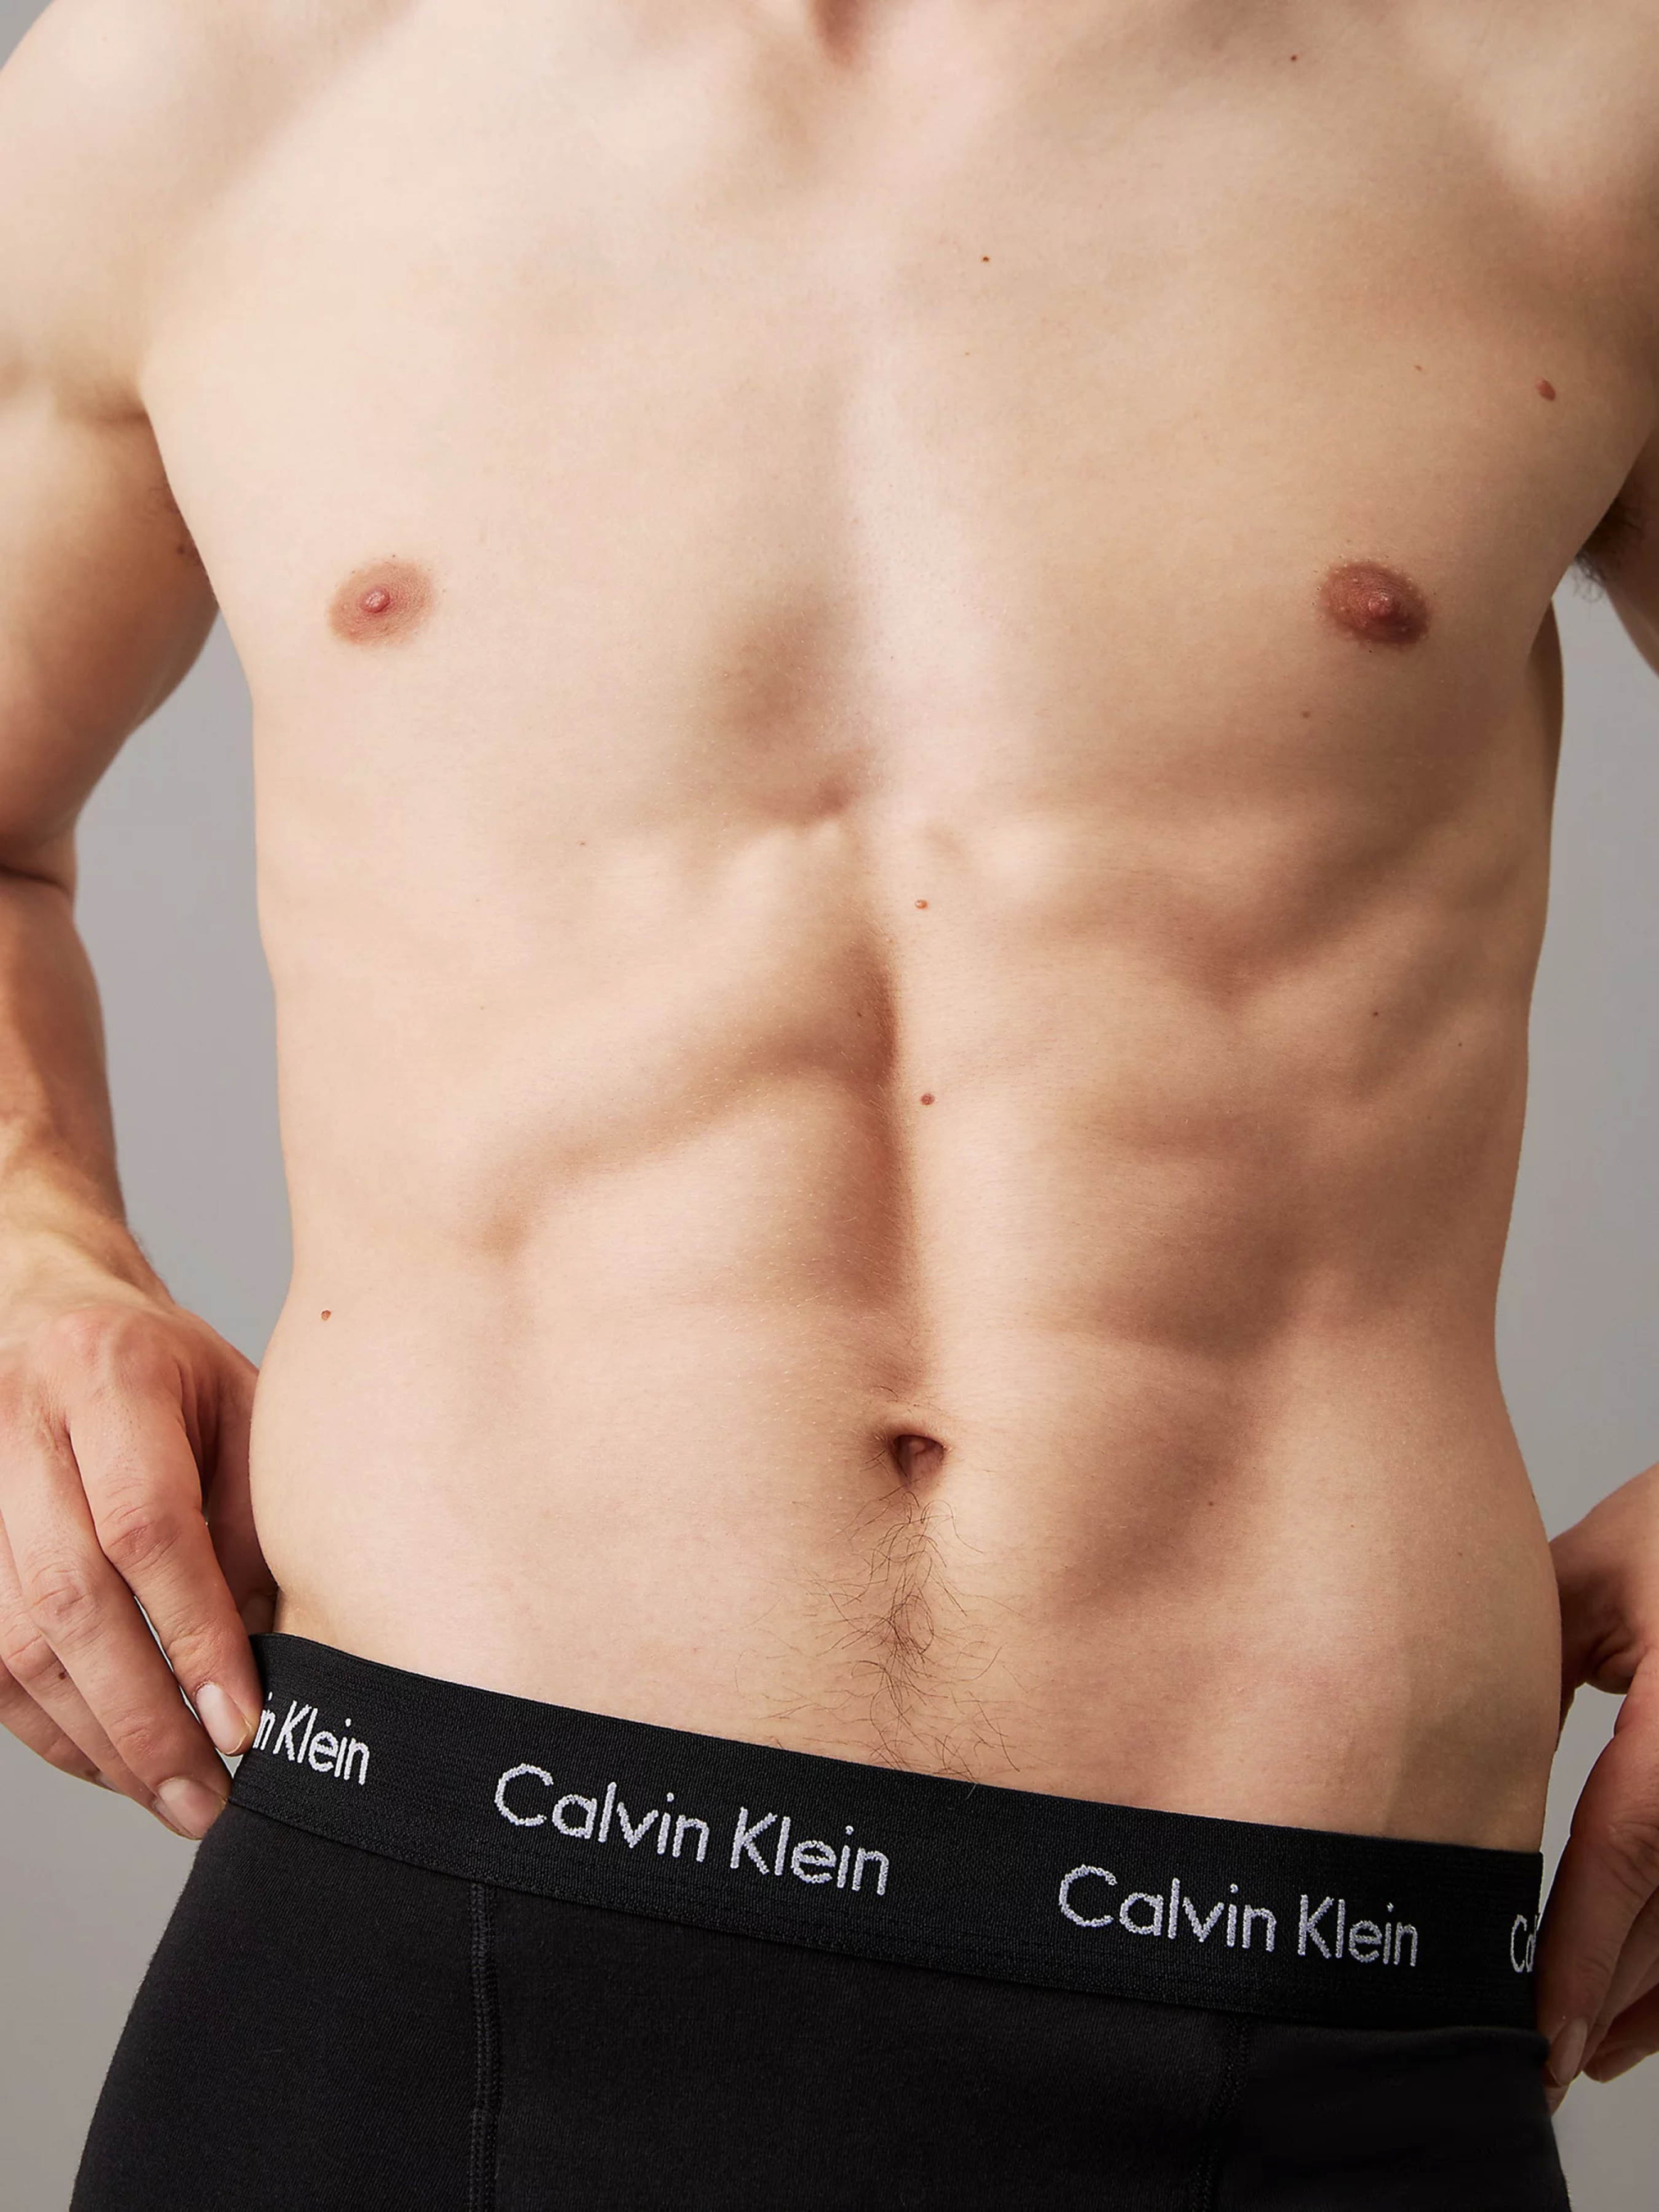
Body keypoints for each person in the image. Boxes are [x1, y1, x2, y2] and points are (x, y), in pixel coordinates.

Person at [2, 0, 1657, 2202]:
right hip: (438, 1941)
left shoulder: (1570, 95)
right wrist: (25, 1248)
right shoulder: (203, 86)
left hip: (1297, 1974)